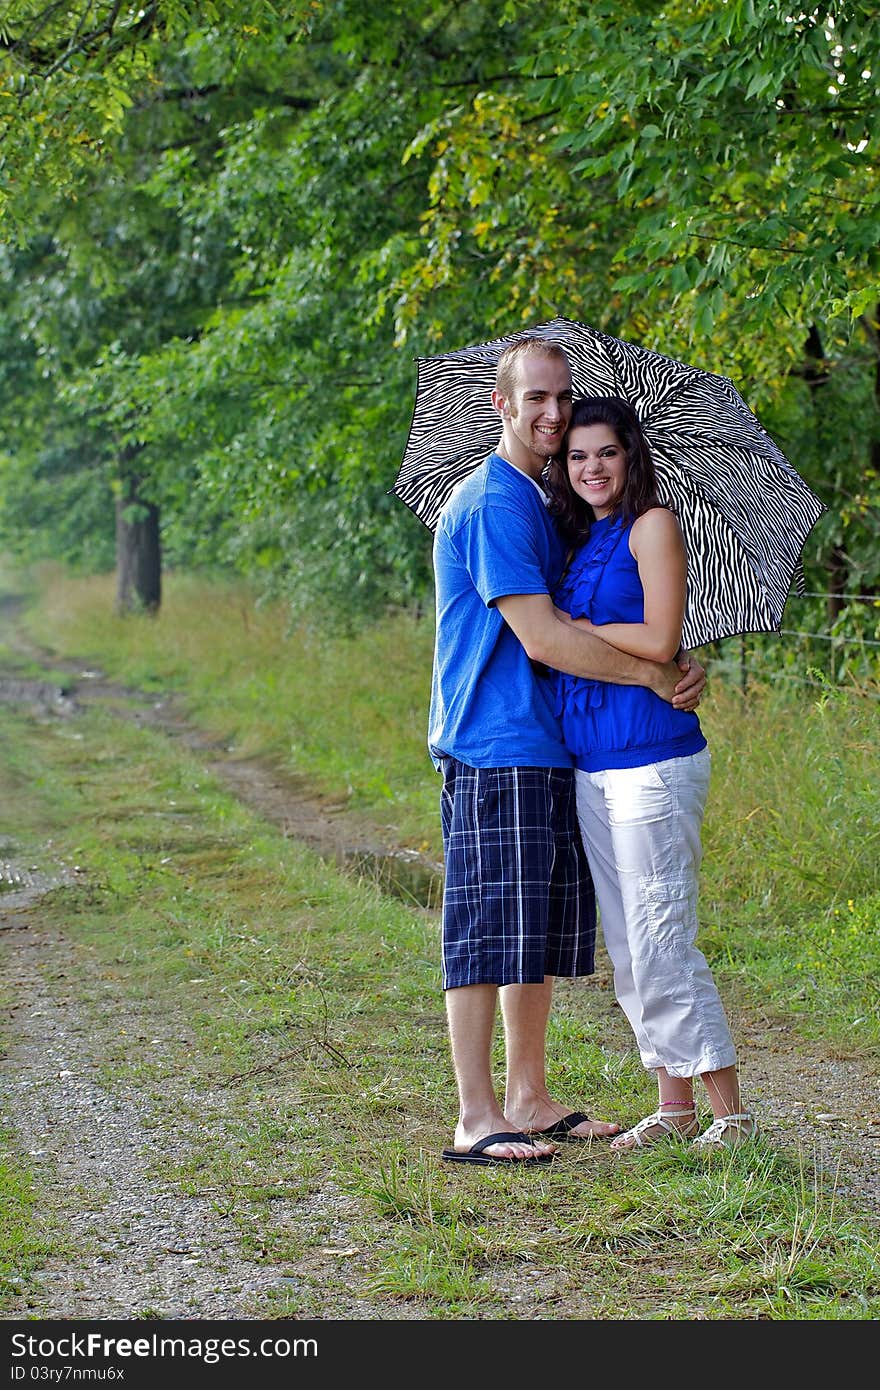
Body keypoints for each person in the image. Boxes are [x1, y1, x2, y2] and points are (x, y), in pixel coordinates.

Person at [428, 337, 707, 1166]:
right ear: (501, 405)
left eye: (563, 397)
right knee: (485, 928)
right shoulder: (492, 503)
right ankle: (478, 1117)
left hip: (547, 745)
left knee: (534, 932)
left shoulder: (541, 504)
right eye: (536, 399)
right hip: (493, 740)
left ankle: (529, 1096)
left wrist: (661, 658)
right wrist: (653, 675)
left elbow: (608, 612)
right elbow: (544, 638)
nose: (553, 414)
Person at [545, 395, 756, 1150]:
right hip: (592, 765)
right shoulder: (579, 540)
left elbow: (664, 636)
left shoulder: (652, 525)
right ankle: (674, 1109)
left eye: (605, 452)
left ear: (630, 456)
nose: (591, 467)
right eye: (576, 456)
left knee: (664, 935)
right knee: (631, 944)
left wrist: (581, 631)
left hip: (653, 761)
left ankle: (731, 1116)